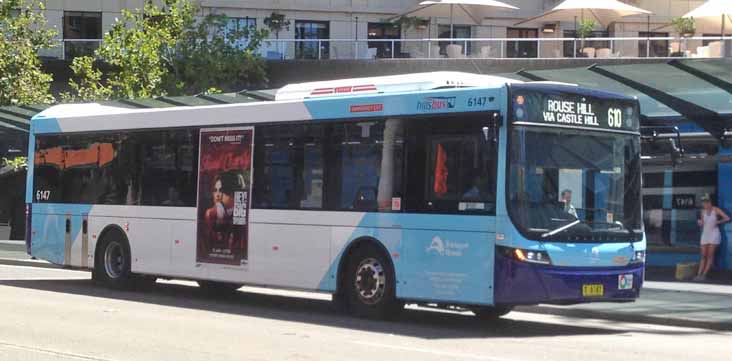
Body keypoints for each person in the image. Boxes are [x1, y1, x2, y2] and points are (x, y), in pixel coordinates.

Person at [695, 194, 730, 281]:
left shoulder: (716, 210)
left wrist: (717, 222)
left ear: (710, 202)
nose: (705, 204)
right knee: (703, 256)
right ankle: (698, 275)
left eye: (707, 202)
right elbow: (702, 223)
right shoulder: (702, 211)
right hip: (705, 234)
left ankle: (704, 275)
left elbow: (727, 218)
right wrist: (700, 223)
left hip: (714, 234)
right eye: (703, 203)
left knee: (710, 256)